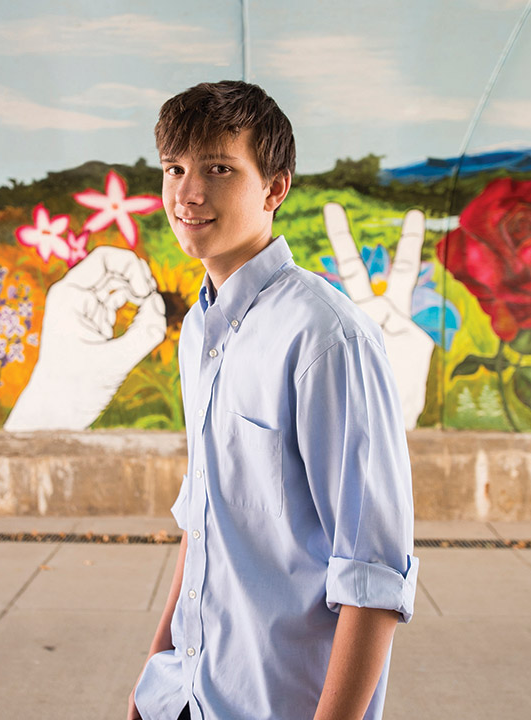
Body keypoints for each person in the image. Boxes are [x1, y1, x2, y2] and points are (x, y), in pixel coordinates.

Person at [129, 80, 419, 720]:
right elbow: (205, 514)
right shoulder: (201, 328)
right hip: (185, 695)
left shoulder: (324, 338)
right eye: (175, 169)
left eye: (219, 169)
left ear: (274, 188)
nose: (188, 193)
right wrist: (158, 669)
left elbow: (372, 575)